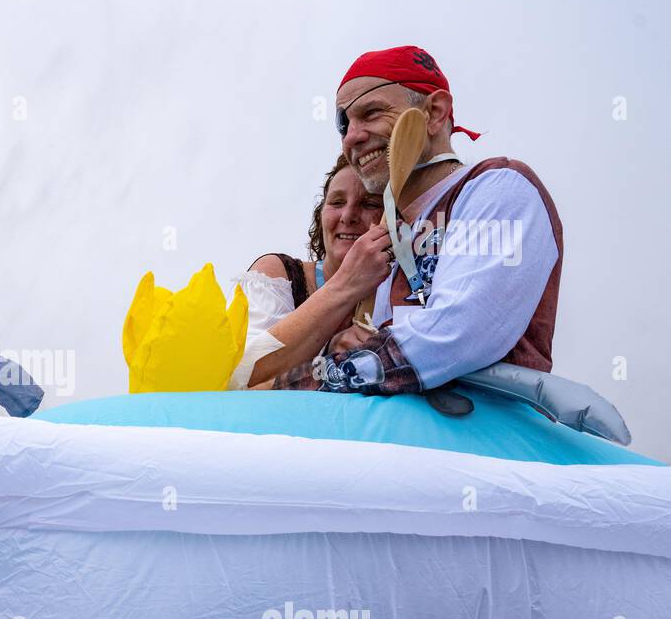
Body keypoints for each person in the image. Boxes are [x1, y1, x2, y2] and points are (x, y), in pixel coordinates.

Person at [272, 45, 563, 394]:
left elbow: (455, 334)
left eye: (372, 112)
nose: (351, 136)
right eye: (344, 123)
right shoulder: (388, 232)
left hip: (479, 435)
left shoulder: (498, 186)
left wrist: (289, 388)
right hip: (402, 437)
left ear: (435, 112)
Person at [227, 154, 388, 389]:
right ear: (321, 214)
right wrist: (328, 356)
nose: (348, 216)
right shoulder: (280, 274)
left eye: (370, 203)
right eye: (337, 202)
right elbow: (239, 379)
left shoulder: (406, 288)